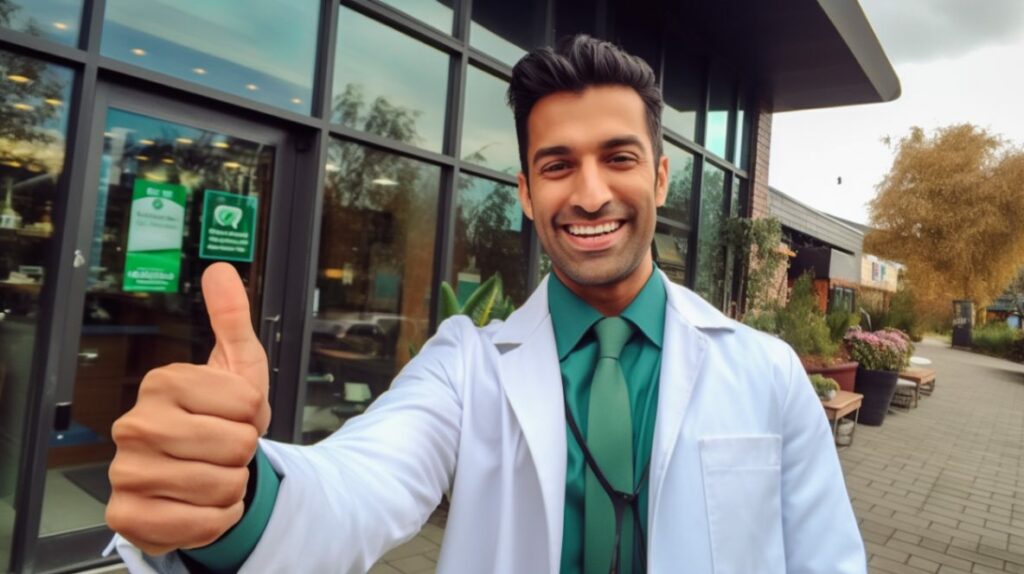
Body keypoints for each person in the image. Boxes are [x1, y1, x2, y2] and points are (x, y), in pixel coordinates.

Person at [105, 35, 866, 573]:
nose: (591, 192)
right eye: (558, 165)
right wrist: (237, 497)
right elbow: (356, 489)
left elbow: (827, 561)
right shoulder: (466, 367)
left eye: (619, 158)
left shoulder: (766, 374)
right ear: (528, 196)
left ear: (662, 179)